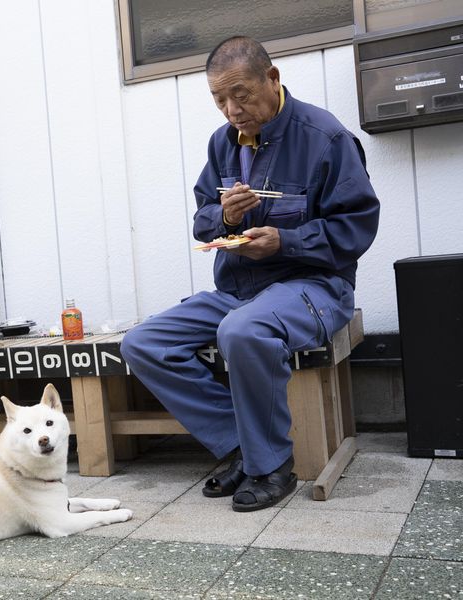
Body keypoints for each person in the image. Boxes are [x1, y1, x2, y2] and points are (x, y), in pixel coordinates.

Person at [120, 37, 379, 512]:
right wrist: (228, 220)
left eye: (240, 93)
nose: (231, 109)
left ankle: (271, 466)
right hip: (240, 288)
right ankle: (240, 444)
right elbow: (202, 216)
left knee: (241, 329)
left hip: (315, 287)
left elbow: (357, 226)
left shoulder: (325, 138)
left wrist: (286, 240)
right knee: (142, 343)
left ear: (272, 78)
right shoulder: (222, 144)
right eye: (219, 99)